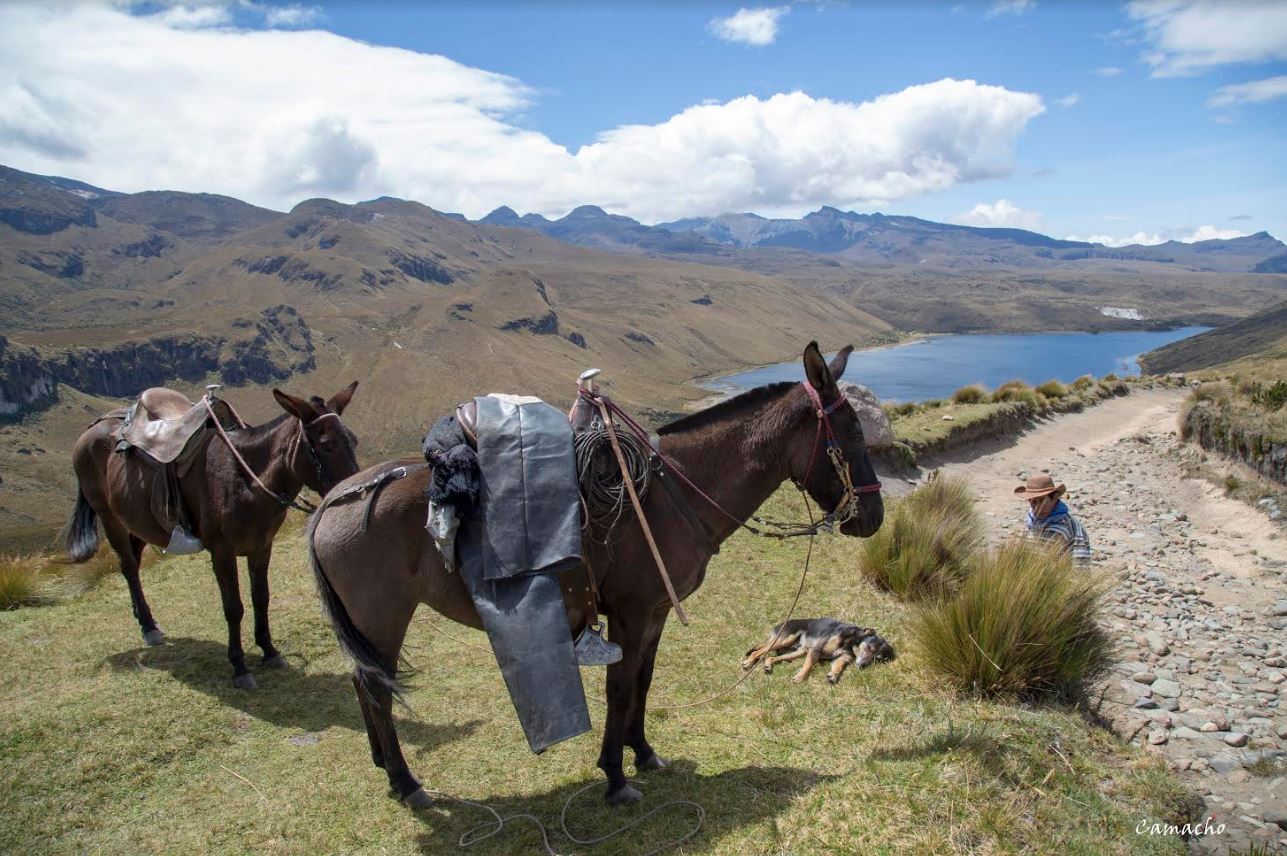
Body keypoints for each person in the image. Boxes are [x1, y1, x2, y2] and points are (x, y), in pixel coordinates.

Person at [1014, 473, 1091, 565]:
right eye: (1034, 502)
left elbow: (1079, 566)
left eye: (1043, 501)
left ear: (1054, 498)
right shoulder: (1030, 522)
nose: (1039, 507)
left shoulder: (1066, 525)